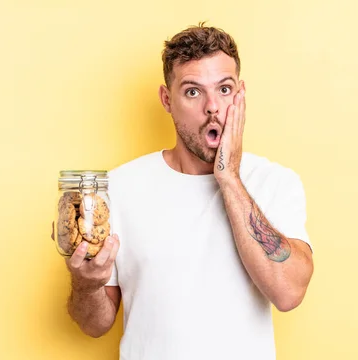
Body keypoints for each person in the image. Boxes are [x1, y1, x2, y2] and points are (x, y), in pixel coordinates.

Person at [64, 23, 314, 360]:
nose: (212, 107)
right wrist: (86, 283)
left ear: (240, 94)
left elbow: (288, 292)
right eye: (193, 92)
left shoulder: (274, 182)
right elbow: (95, 324)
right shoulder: (119, 188)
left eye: (224, 90)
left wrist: (229, 178)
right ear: (167, 100)